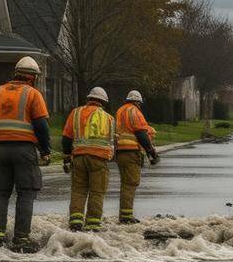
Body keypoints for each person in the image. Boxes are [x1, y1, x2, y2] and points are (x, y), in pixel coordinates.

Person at [0, 56, 51, 252]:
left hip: (0, 150)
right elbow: (41, 126)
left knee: (0, 194)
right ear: (33, 77)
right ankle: (21, 239)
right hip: (24, 150)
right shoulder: (33, 94)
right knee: (26, 193)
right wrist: (45, 151)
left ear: (16, 74)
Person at [61, 87, 115, 232]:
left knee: (78, 190)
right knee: (97, 191)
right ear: (103, 102)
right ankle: (93, 224)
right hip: (99, 159)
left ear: (89, 99)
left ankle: (76, 222)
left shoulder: (76, 113)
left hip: (79, 157)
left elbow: (66, 137)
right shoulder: (109, 118)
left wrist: (67, 157)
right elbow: (112, 142)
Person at [114, 90, 160, 224]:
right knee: (131, 183)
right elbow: (141, 134)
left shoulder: (120, 111)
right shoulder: (134, 111)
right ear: (137, 102)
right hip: (131, 152)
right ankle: (126, 217)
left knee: (125, 183)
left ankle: (124, 214)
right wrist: (151, 151)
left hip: (120, 152)